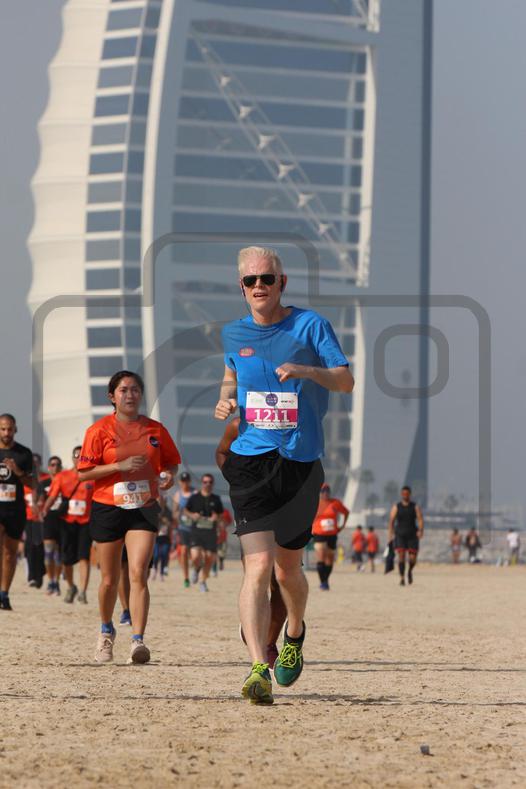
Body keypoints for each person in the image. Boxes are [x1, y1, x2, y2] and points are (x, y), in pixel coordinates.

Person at [216, 246, 353, 704]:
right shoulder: (234, 333)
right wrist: (225, 399)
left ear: (282, 282)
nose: (259, 286)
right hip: (250, 461)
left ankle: (294, 632)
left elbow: (345, 380)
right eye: (250, 280)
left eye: (267, 279)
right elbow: (231, 373)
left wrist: (306, 370)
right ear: (241, 287)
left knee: (287, 570)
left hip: (299, 462)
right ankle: (258, 666)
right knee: (257, 567)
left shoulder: (311, 325)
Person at [77, 370, 181, 664]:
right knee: (109, 579)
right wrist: (117, 466)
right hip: (108, 506)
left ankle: (138, 640)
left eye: (135, 389)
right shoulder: (98, 431)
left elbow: (171, 463)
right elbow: (84, 473)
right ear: (112, 397)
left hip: (144, 506)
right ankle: (106, 631)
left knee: (138, 573)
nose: (130, 395)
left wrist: (168, 476)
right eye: (123, 390)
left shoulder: (155, 430)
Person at [216, 416, 287, 668]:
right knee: (259, 574)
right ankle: (261, 644)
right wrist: (237, 480)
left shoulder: (295, 424)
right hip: (253, 504)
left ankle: (269, 641)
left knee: (282, 582)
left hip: (288, 505)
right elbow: (222, 452)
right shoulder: (239, 425)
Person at [42, 446, 94, 603]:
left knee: (84, 557)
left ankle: (83, 592)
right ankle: (71, 586)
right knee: (66, 559)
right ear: (72, 458)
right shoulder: (62, 476)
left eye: (82, 456)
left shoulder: (93, 476)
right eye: (76, 456)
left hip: (86, 522)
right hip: (67, 521)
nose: (79, 459)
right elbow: (52, 496)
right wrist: (45, 509)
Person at [0, 414, 34, 610]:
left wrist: (17, 471)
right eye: (3, 429)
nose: (6, 433)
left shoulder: (23, 453)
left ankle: (4, 594)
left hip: (15, 509)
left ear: (15, 429)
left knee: (9, 553)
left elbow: (33, 483)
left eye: (10, 429)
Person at [184, 474, 224, 593]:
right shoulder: (194, 497)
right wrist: (192, 515)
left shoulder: (216, 499)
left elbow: (221, 515)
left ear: (213, 484)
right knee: (196, 556)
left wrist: (216, 518)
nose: (208, 484)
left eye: (210, 482)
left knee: (210, 558)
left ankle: (202, 581)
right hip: (196, 531)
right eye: (205, 482)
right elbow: (185, 510)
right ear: (202, 483)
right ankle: (196, 569)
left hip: (211, 532)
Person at [311, 483, 349, 590]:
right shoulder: (314, 503)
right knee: (321, 556)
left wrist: (342, 526)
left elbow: (346, 512)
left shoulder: (335, 503)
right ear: (319, 493)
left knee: (330, 559)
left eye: (327, 491)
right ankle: (323, 582)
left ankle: (325, 580)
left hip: (332, 534)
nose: (325, 493)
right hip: (319, 533)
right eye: (323, 491)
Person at [37, 455, 63, 594]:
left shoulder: (66, 481)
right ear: (48, 467)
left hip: (63, 519)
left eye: (58, 464)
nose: (55, 467)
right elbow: (39, 499)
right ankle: (50, 581)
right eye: (52, 465)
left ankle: (56, 582)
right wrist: (40, 507)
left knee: (59, 554)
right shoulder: (44, 483)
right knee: (48, 552)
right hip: (49, 519)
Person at [387, 486, 424, 586]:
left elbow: (420, 519)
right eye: (403, 494)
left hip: (412, 535)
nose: (405, 496)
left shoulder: (415, 506)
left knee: (412, 558)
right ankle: (402, 578)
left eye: (407, 494)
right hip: (400, 534)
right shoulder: (396, 507)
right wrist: (390, 534)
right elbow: (391, 521)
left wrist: (421, 530)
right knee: (401, 556)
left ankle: (410, 571)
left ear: (410, 494)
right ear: (401, 494)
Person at [23, 453, 48, 589]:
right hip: (28, 519)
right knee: (30, 548)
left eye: (36, 462)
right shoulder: (23, 480)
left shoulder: (46, 479)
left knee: (40, 548)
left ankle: (39, 575)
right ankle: (32, 576)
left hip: (43, 519)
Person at [172, 472, 196, 588]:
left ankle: (196, 570)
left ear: (190, 481)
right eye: (183, 481)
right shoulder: (178, 495)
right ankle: (186, 577)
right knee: (184, 551)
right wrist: (179, 515)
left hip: (195, 527)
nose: (185, 483)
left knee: (196, 554)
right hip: (183, 527)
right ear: (179, 482)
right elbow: (174, 512)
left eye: (187, 481)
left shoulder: (195, 493)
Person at [152, 513, 172, 580]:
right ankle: (155, 569)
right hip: (157, 539)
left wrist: (168, 522)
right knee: (156, 555)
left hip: (166, 540)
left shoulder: (168, 512)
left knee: (164, 555)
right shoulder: (156, 515)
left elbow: (172, 525)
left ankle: (161, 573)